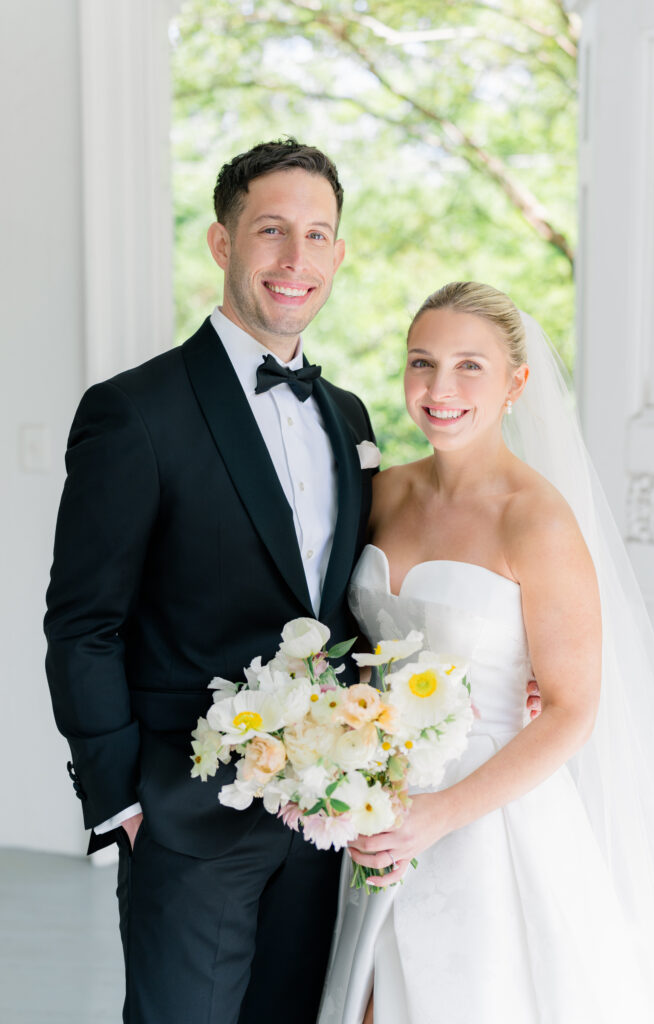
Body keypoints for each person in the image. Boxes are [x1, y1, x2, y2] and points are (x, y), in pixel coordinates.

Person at [44, 139, 379, 1024]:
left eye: (316, 235)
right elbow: (83, 623)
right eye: (270, 230)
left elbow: (353, 600)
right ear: (222, 244)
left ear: (338, 255)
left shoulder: (348, 416)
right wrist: (121, 801)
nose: (294, 259)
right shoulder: (133, 412)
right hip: (186, 820)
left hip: (321, 818)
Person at [317, 282, 654, 1024]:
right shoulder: (382, 493)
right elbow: (353, 641)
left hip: (490, 817)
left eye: (468, 366)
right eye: (421, 362)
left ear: (516, 383)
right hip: (382, 801)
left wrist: (439, 814)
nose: (438, 388)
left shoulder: (536, 520)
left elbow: (572, 710)